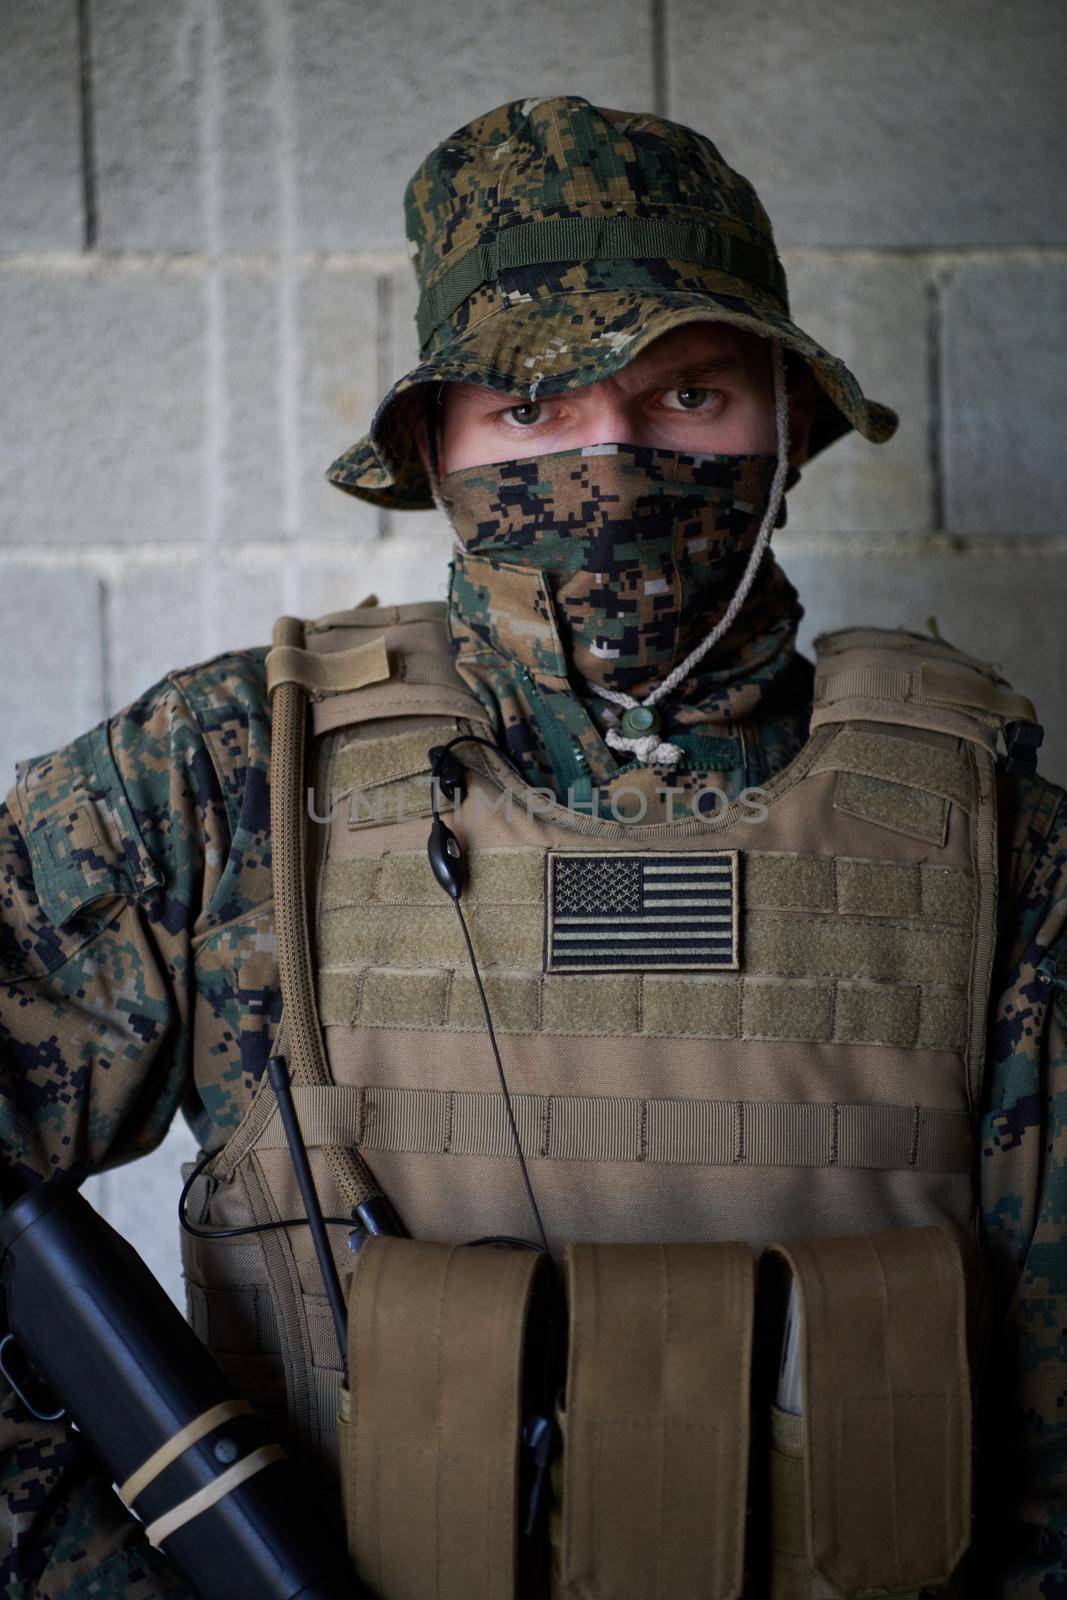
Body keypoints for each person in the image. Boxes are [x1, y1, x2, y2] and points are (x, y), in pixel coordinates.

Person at [0, 95, 1063, 1599]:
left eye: (686, 397)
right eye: (531, 411)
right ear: (432, 446)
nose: (609, 461)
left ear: (791, 424)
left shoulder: (989, 833)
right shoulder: (229, 783)